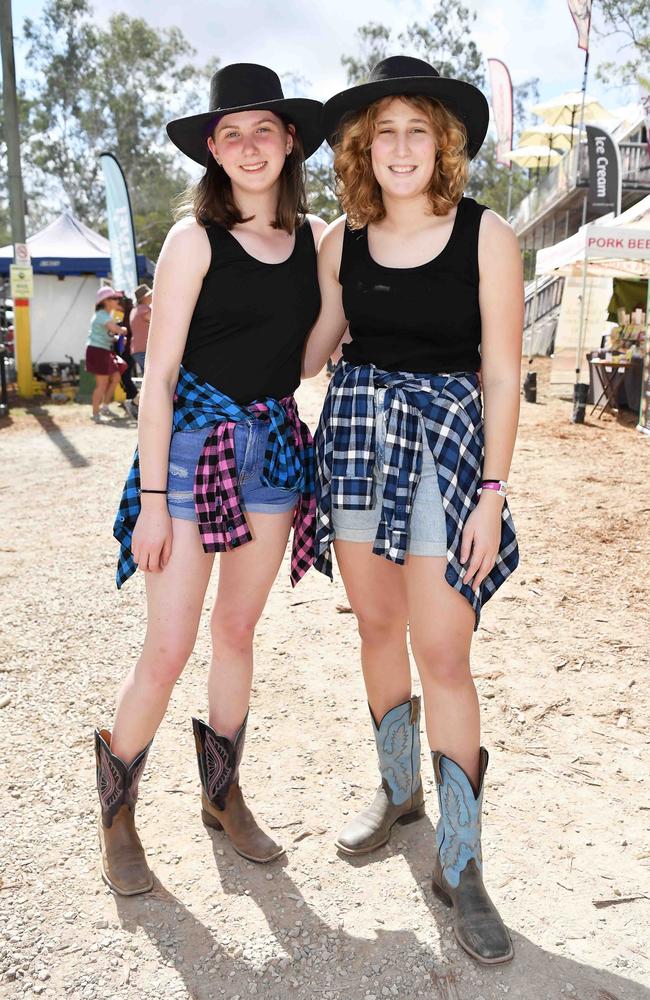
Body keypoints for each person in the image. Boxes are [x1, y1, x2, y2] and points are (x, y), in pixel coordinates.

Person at [302, 57, 522, 965]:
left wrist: (492, 494)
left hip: (447, 453)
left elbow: (504, 372)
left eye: (416, 130)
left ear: (444, 143)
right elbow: (312, 351)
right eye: (383, 132)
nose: (399, 147)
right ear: (362, 146)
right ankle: (400, 796)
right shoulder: (339, 241)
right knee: (376, 628)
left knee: (444, 650)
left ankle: (462, 865)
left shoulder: (487, 234)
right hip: (353, 438)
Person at [95, 63, 325, 896]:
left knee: (237, 632)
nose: (249, 146)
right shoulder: (193, 239)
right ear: (214, 152)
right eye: (231, 134)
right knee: (168, 645)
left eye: (263, 129)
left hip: (273, 448)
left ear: (290, 138)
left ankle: (221, 797)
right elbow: (156, 380)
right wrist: (153, 501)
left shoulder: (313, 239)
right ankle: (118, 814)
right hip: (191, 452)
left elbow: (300, 361)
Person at [85, 287, 128, 422]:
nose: (117, 301)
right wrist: (123, 331)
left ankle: (104, 408)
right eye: (114, 298)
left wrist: (116, 338)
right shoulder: (102, 315)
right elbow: (116, 329)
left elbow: (109, 334)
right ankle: (96, 413)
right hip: (98, 351)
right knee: (102, 384)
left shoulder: (105, 316)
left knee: (115, 377)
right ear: (105, 301)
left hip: (103, 350)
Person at [116, 293, 140, 420]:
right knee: (125, 377)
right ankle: (131, 401)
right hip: (127, 351)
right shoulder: (127, 316)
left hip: (127, 351)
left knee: (125, 377)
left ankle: (134, 402)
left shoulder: (128, 317)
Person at [130, 284, 152, 375]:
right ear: (144, 297)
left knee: (147, 378)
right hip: (144, 349)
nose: (152, 297)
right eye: (150, 295)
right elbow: (157, 319)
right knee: (152, 375)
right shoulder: (144, 309)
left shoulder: (135, 310)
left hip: (136, 349)